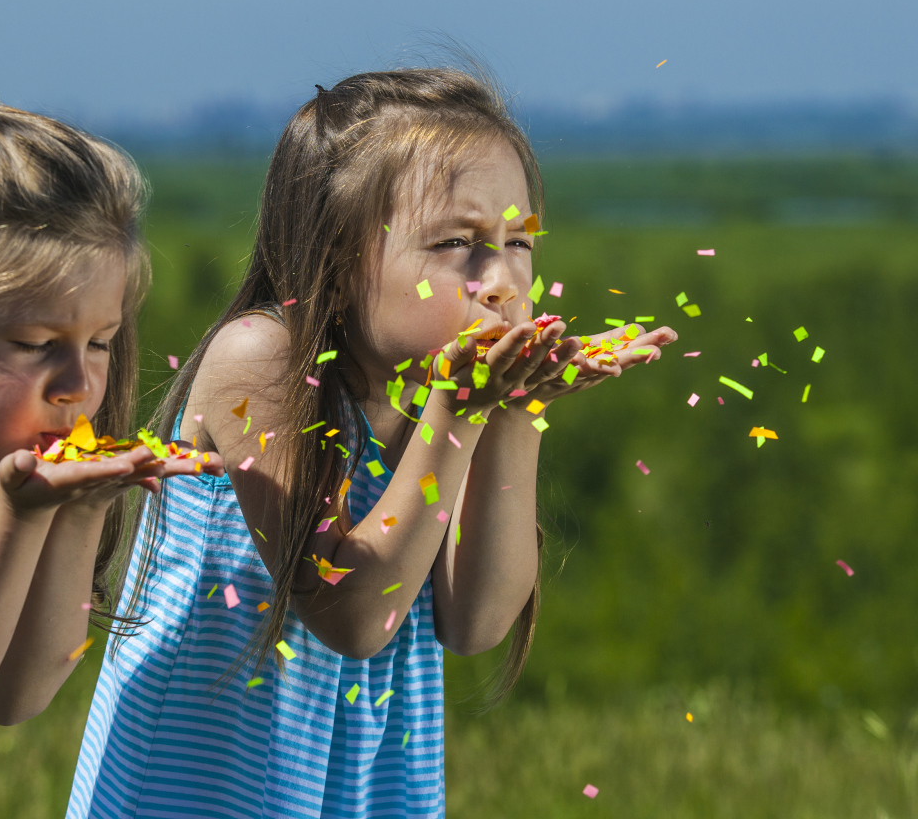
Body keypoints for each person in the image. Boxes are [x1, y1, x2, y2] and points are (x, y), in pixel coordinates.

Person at [69, 69, 677, 819]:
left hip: (354, 793)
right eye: (457, 243)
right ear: (336, 256)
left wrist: (516, 412)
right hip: (201, 794)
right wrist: (459, 410)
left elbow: (476, 621)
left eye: (518, 240)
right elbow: (355, 616)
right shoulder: (259, 361)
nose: (501, 282)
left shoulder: (438, 400)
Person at [0, 105, 223, 819]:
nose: (78, 385)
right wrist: (20, 513)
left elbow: (18, 696)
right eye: (38, 342)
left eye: (101, 342)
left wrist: (82, 510)